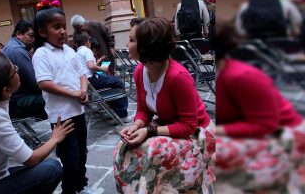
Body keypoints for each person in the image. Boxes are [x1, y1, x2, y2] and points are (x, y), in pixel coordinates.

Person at [114, 17, 215, 193]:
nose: (126, 44)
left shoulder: (178, 77)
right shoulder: (140, 72)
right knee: (125, 145)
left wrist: (150, 130)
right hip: (170, 124)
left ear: (146, 47)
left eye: (131, 40)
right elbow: (143, 110)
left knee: (152, 150)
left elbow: (188, 125)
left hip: (197, 132)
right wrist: (137, 125)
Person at [214, 22, 305, 194]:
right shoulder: (220, 75)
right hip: (249, 128)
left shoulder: (242, 77)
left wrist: (218, 130)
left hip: (283, 133)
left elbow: (265, 125)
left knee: (213, 154)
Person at [32, 0, 90, 193]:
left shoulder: (69, 50)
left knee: (82, 152)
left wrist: (83, 91)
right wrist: (73, 93)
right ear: (42, 32)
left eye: (64, 27)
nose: (63, 31)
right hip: (61, 117)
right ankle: (69, 190)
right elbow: (44, 83)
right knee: (70, 158)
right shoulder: (41, 54)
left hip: (78, 112)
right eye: (57, 27)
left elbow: (82, 73)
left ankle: (81, 185)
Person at [0, 53, 74, 194]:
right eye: (15, 71)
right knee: (51, 168)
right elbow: (30, 159)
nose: (18, 72)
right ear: (5, 90)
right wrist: (55, 138)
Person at [74, 32, 133, 123]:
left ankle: (115, 111)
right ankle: (122, 115)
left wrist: (97, 62)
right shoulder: (86, 50)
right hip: (93, 80)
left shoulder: (77, 52)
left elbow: (88, 68)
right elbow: (91, 66)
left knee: (112, 81)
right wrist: (103, 69)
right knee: (118, 82)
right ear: (87, 41)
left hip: (88, 83)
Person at [2, 20, 47, 120]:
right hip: (20, 101)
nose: (33, 40)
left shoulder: (10, 47)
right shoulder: (17, 50)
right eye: (31, 36)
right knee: (52, 96)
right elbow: (35, 83)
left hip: (14, 99)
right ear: (18, 34)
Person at [235, 0, 302, 39]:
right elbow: (297, 23)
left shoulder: (245, 7)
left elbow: (240, 31)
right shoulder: (286, 4)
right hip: (283, 43)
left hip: (255, 44)